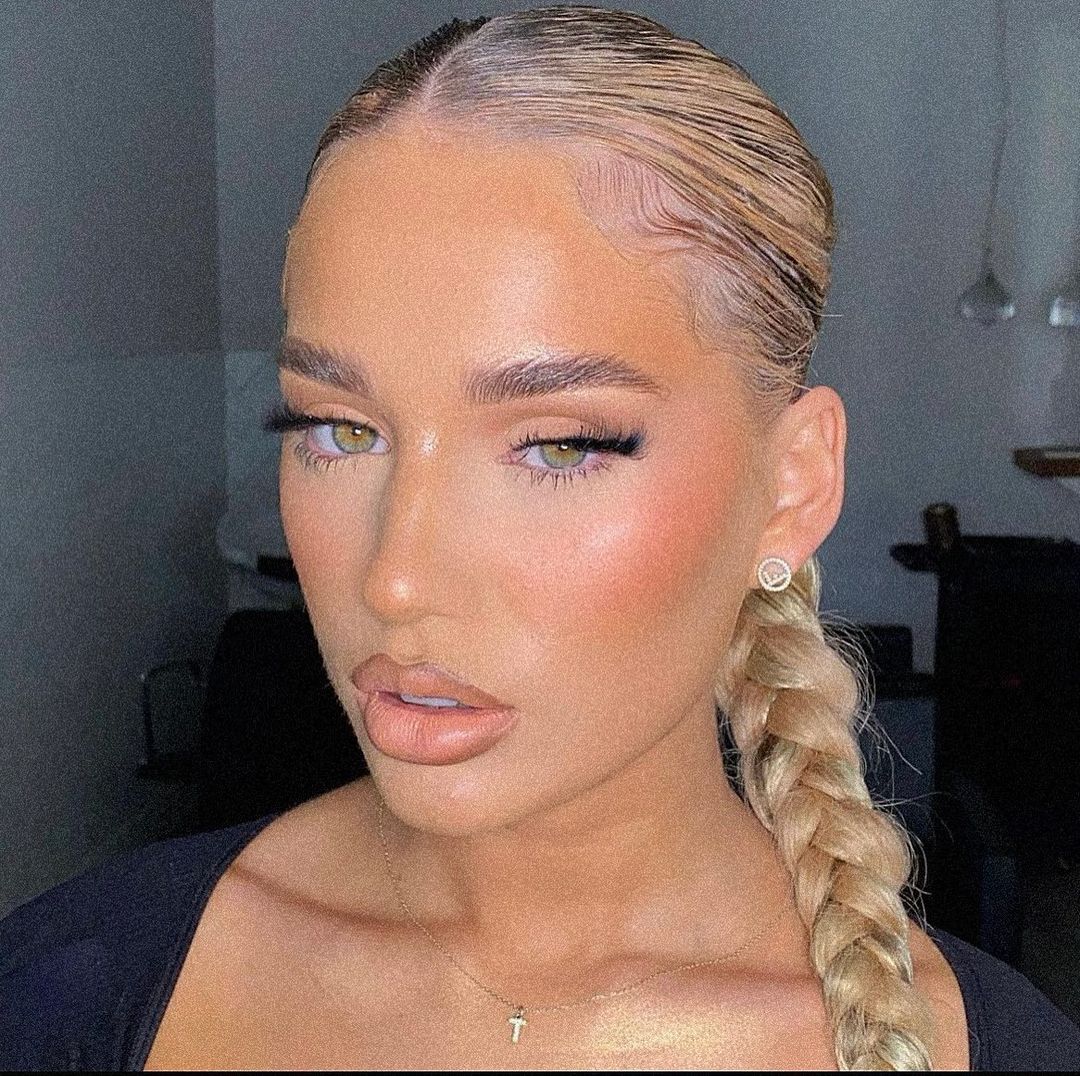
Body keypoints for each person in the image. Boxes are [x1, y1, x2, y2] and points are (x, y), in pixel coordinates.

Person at [3, 6, 1079, 1070]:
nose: (396, 577)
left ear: (793, 486)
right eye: (341, 429)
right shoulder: (71, 985)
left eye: (558, 446)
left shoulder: (990, 1049)